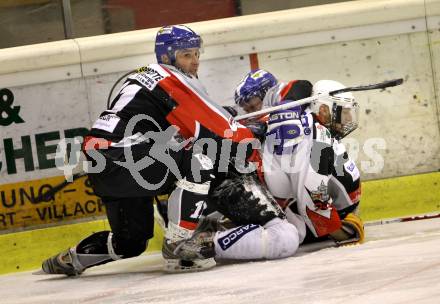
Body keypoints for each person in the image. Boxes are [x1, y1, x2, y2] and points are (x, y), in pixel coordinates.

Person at [41, 26, 298, 276]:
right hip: (123, 157)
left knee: (131, 242)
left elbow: (175, 123)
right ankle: (180, 244)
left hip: (106, 164)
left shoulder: (147, 78)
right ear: (167, 57)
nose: (195, 61)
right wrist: (253, 134)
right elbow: (215, 129)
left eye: (197, 54)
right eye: (187, 55)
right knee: (201, 156)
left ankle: (70, 258)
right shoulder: (167, 77)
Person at [233, 69, 364, 246]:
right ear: (323, 110)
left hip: (316, 218)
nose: (348, 119)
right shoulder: (308, 129)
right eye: (344, 112)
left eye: (254, 106)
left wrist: (340, 230)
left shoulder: (306, 128)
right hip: (320, 214)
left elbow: (300, 86)